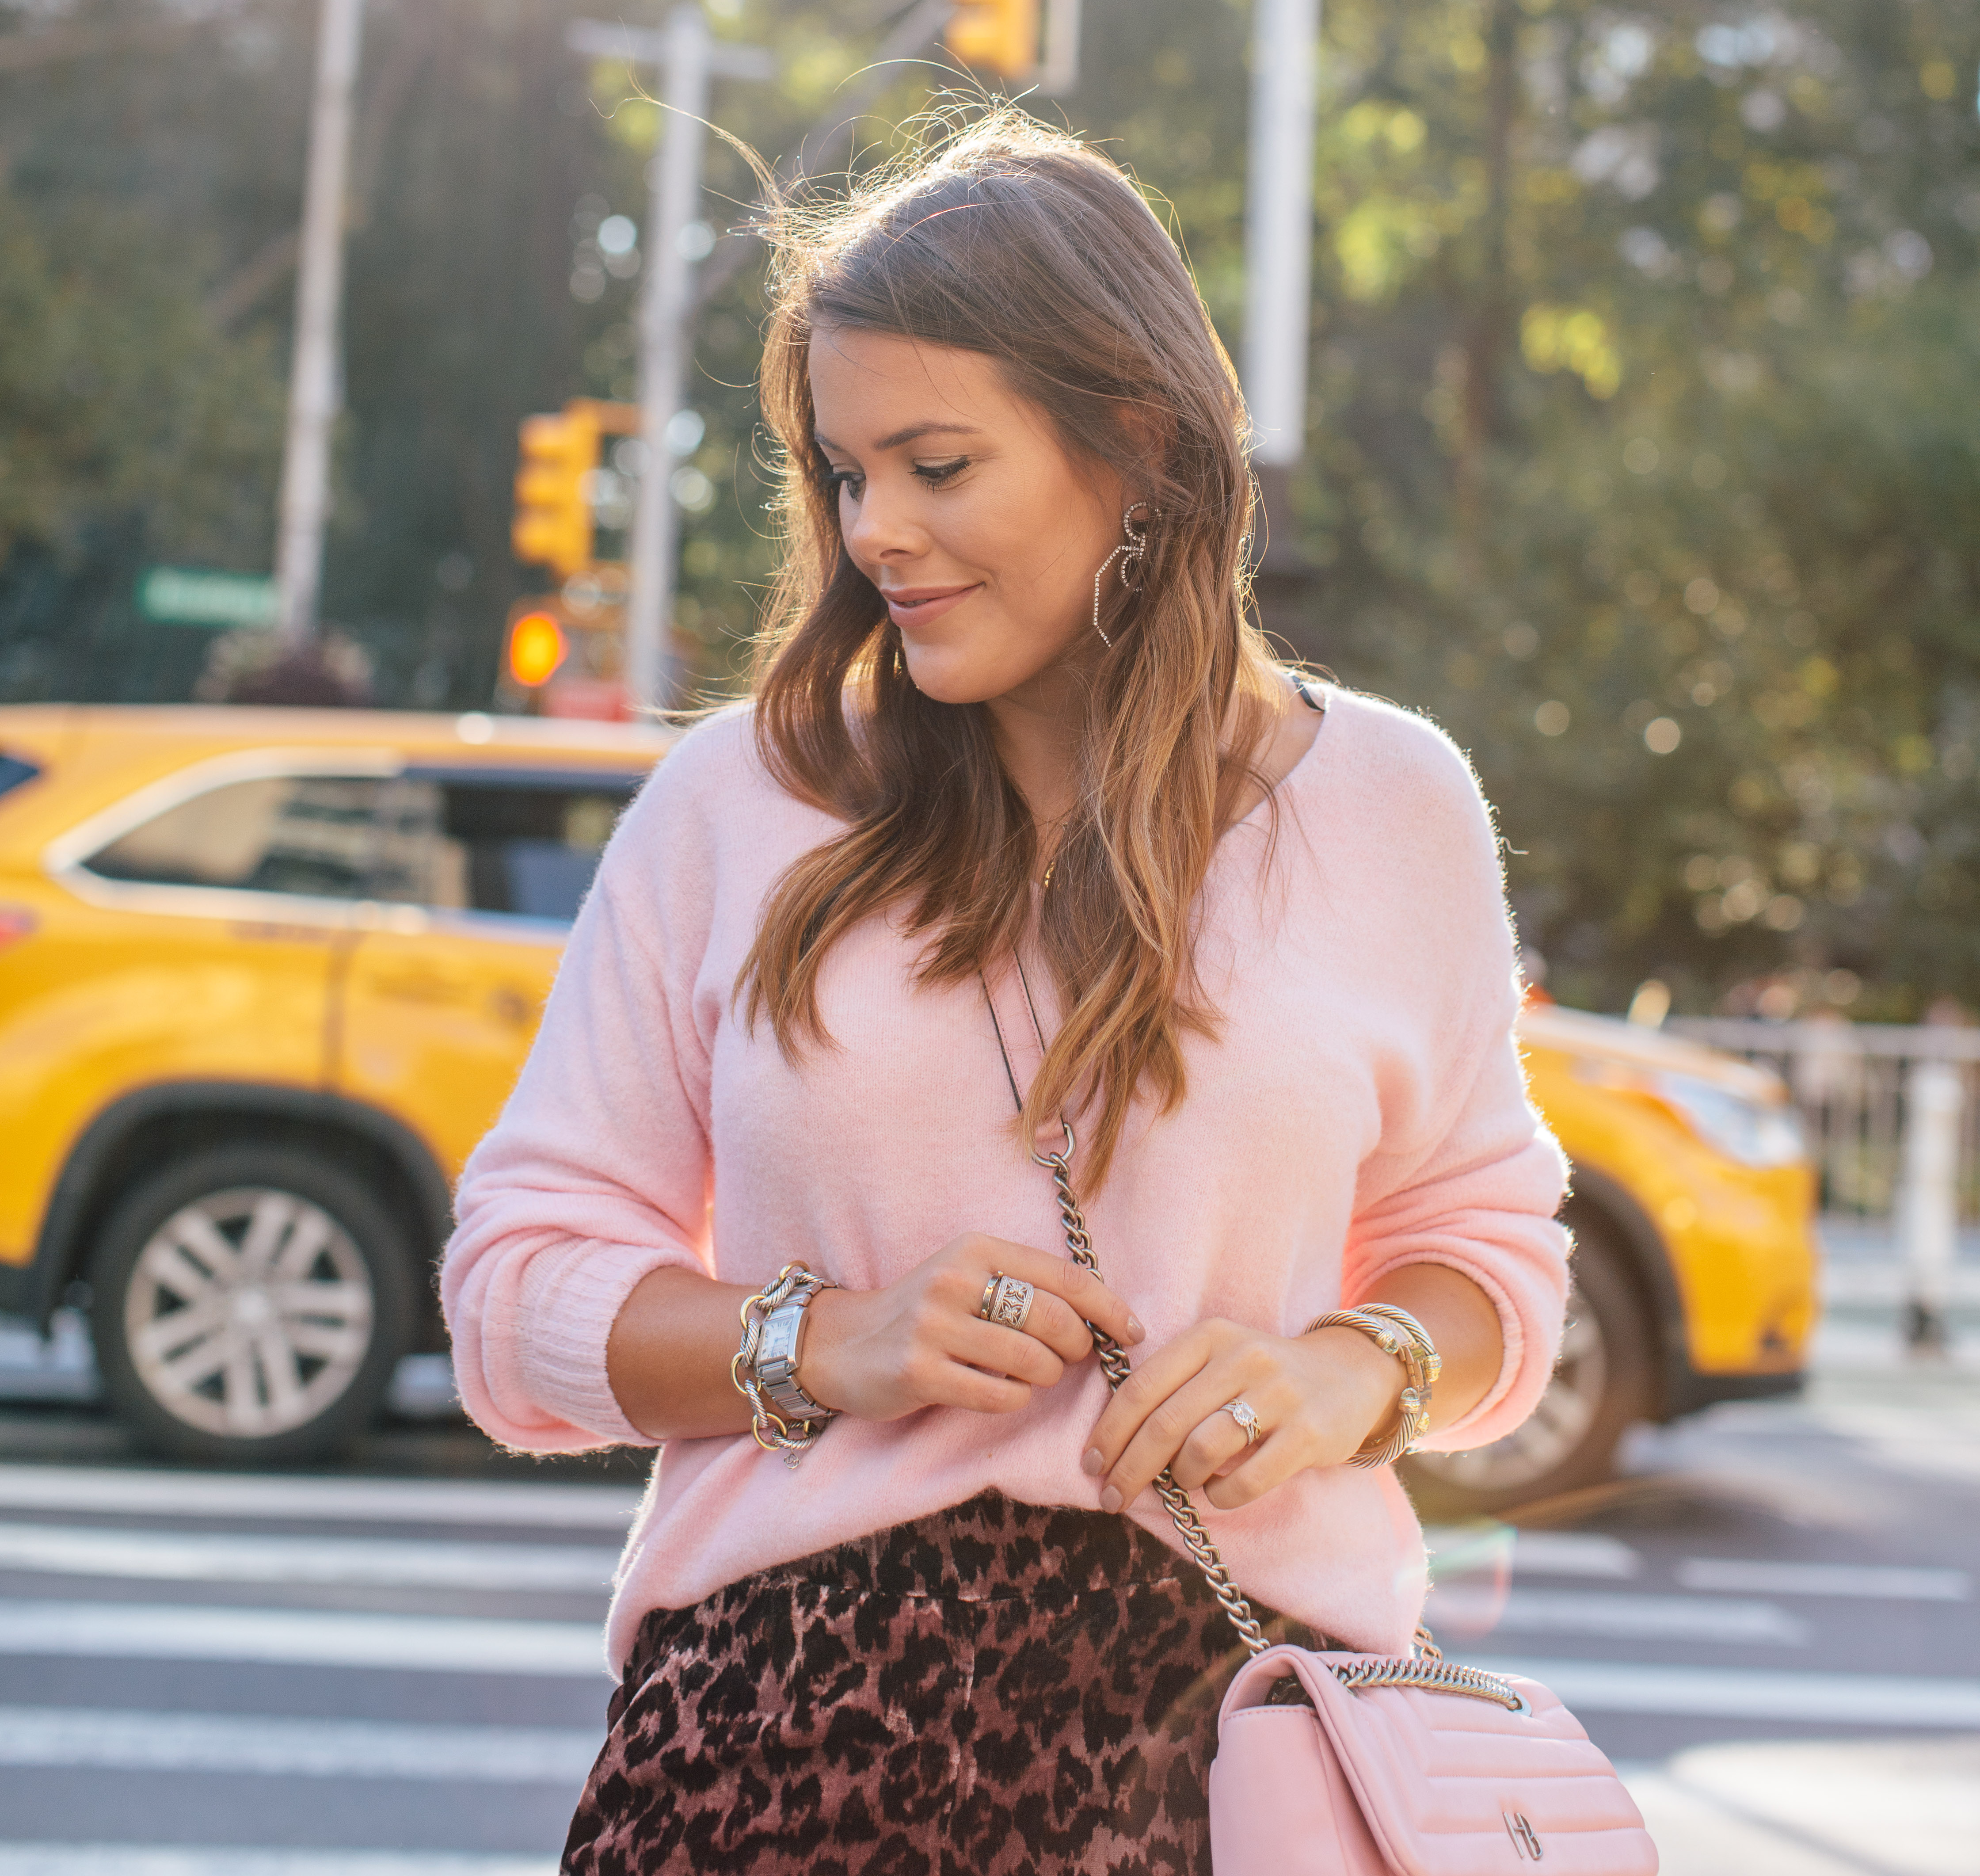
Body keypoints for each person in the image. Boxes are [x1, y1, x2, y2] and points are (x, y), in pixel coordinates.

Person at [444, 111, 1569, 1876]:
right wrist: (823, 1342)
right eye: (841, 472)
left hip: (1247, 1765)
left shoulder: (1387, 803)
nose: (874, 529)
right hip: (779, 1757)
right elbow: (512, 1300)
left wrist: (1348, 1373)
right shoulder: (743, 799)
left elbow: (1490, 1249)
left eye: (936, 464)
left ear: (1132, 441)